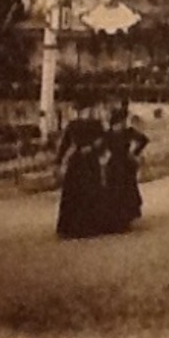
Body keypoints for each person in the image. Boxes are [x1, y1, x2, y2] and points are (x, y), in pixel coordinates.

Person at [56, 102, 106, 239]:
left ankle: (71, 227)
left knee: (75, 192)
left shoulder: (73, 125)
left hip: (77, 162)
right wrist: (94, 150)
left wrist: (60, 161)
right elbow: (103, 142)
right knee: (89, 191)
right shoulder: (96, 125)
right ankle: (90, 226)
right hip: (89, 162)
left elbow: (65, 145)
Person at [99, 98, 149, 233]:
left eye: (120, 123)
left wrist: (134, 152)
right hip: (115, 164)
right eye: (117, 124)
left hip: (124, 164)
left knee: (125, 191)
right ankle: (116, 220)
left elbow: (144, 140)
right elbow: (102, 148)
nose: (119, 126)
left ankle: (125, 219)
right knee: (115, 191)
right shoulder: (109, 134)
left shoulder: (126, 132)